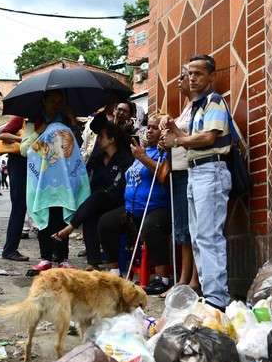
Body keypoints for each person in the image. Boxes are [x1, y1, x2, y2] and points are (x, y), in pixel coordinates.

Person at [161, 54, 232, 311]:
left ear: (211, 77)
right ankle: (208, 293)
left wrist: (178, 140)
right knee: (199, 236)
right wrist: (174, 133)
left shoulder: (214, 101)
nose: (192, 78)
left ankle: (217, 298)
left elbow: (208, 138)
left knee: (208, 235)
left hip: (210, 170)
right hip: (196, 172)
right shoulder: (196, 107)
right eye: (189, 73)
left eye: (198, 74)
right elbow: (188, 138)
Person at [98, 115, 171, 293]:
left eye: (155, 127)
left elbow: (162, 175)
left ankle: (162, 278)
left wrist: (142, 157)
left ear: (163, 133)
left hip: (156, 207)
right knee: (106, 223)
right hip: (132, 208)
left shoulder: (164, 152)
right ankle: (115, 272)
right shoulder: (141, 150)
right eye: (149, 127)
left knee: (151, 227)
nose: (150, 130)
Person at [52, 122, 133, 268]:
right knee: (90, 214)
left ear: (112, 139)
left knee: (99, 196)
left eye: (101, 137)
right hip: (96, 204)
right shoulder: (97, 159)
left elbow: (119, 187)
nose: (98, 140)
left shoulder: (124, 159)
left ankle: (70, 227)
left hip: (118, 202)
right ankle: (93, 262)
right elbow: (85, 179)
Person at [26, 89, 90, 271]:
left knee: (63, 218)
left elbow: (77, 147)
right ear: (44, 102)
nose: (55, 104)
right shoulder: (36, 121)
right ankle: (45, 257)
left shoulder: (67, 121)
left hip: (65, 182)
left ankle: (62, 257)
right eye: (52, 101)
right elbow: (28, 150)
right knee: (45, 217)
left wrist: (72, 122)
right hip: (44, 181)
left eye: (59, 101)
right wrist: (42, 134)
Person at [160, 65, 199, 295]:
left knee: (191, 227)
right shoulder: (185, 107)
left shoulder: (197, 107)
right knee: (182, 228)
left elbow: (189, 136)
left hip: (189, 170)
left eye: (181, 77)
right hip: (177, 170)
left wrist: (173, 130)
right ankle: (184, 277)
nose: (178, 82)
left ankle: (193, 279)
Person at [0, 115, 29, 261]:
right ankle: (10, 250)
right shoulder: (21, 118)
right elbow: (3, 134)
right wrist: (21, 139)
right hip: (18, 165)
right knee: (19, 207)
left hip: (32, 166)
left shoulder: (42, 119)